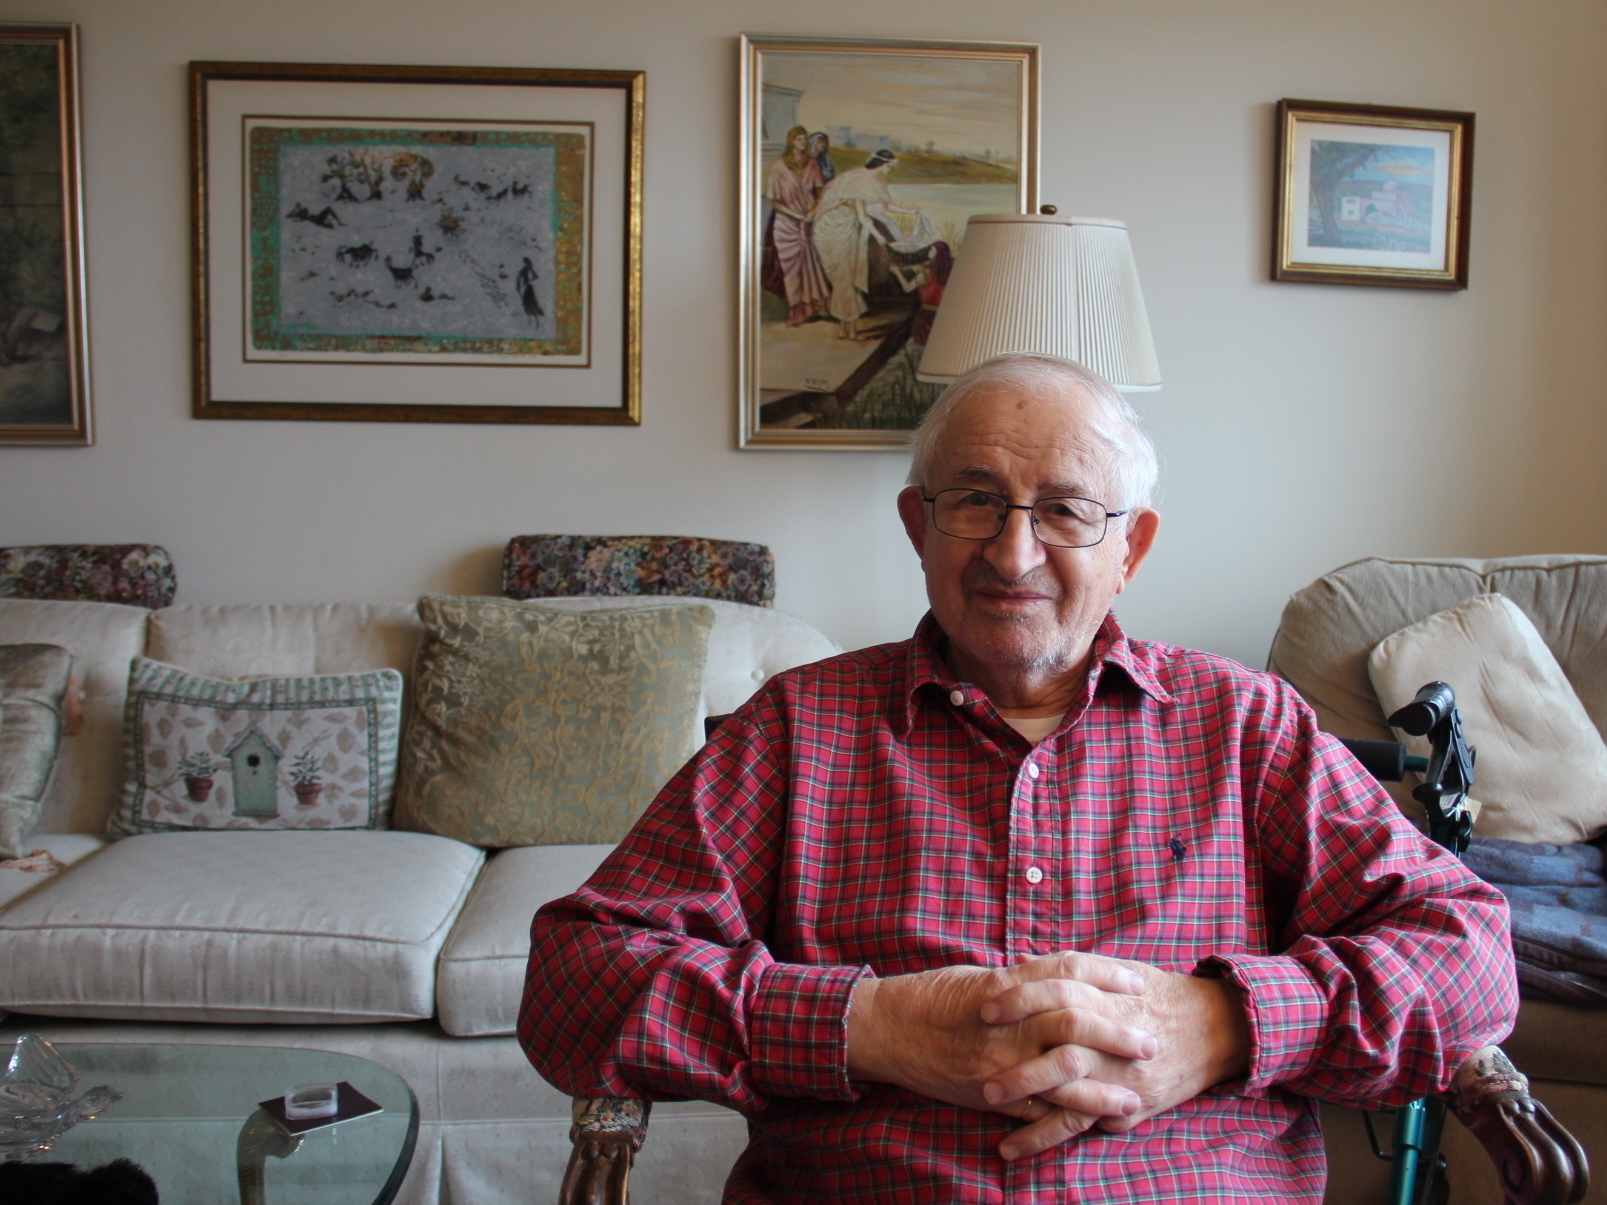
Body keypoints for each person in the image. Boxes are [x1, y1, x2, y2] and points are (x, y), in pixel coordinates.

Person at [521, 353, 1516, 1203]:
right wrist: (866, 1025)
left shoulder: (1244, 722)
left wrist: (1222, 1023)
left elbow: (1468, 956)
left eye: (1065, 511)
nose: (1012, 551)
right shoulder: (798, 728)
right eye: (975, 500)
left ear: (1129, 546)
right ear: (918, 524)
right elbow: (575, 981)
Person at [810, 148, 915, 340]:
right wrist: (878, 235)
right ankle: (849, 330)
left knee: (847, 277)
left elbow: (882, 206)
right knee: (844, 276)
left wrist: (910, 212)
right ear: (882, 163)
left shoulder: (876, 181)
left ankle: (845, 328)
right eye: (890, 166)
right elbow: (862, 217)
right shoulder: (857, 180)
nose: (890, 170)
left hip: (847, 225)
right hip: (833, 228)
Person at [761, 126, 830, 327]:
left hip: (808, 222)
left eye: (805, 139)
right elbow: (774, 201)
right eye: (799, 139)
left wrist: (813, 212)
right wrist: (795, 214)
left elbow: (820, 191)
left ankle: (813, 308)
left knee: (810, 266)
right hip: (786, 224)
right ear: (791, 141)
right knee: (791, 270)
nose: (803, 142)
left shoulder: (812, 164)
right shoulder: (778, 166)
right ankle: (796, 311)